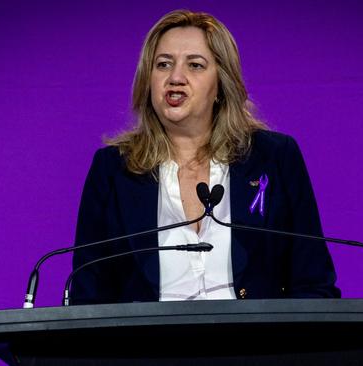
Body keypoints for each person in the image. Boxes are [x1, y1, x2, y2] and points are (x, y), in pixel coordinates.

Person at [71, 10, 340, 305]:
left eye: (195, 65)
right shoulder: (113, 169)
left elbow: (314, 283)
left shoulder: (275, 158)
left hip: (256, 345)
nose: (175, 78)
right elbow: (88, 295)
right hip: (148, 347)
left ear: (220, 86)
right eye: (163, 65)